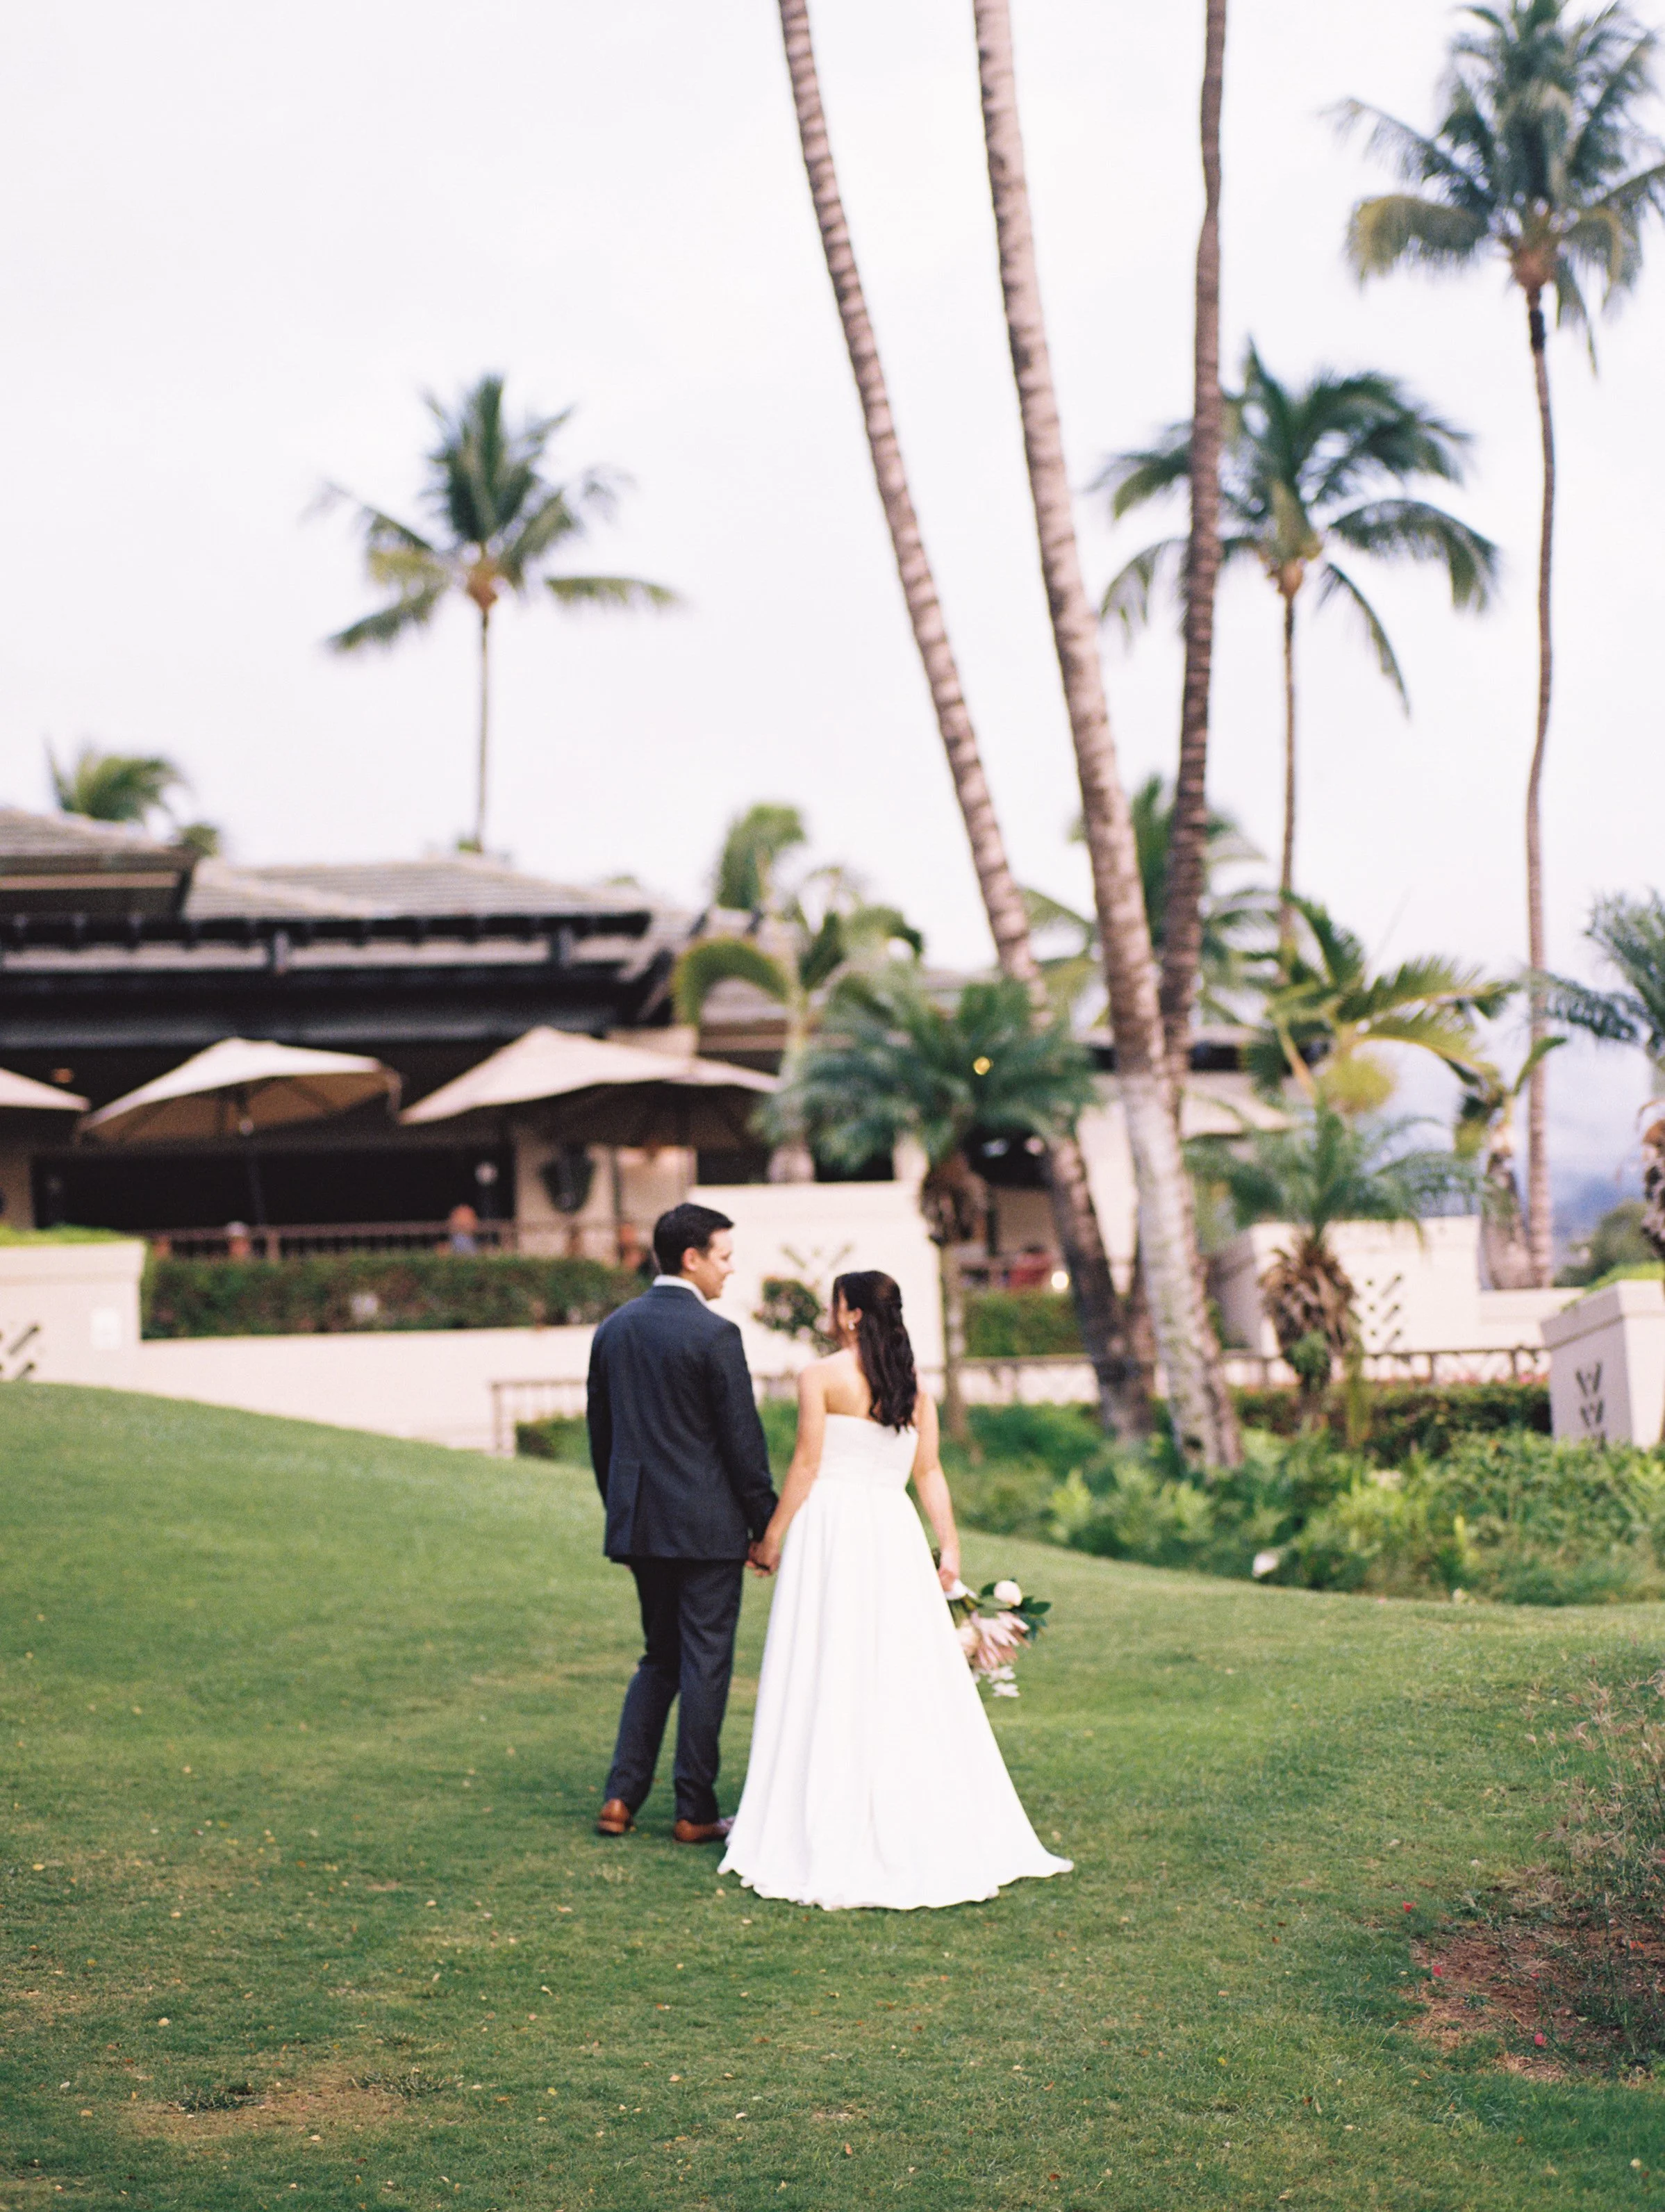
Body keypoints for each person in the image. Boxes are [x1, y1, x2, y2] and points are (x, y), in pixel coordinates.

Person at [719, 1269, 1071, 1910]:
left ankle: (824, 1807)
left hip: (831, 1531)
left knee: (827, 1662)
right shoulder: (913, 1390)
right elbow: (928, 1473)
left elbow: (806, 1464)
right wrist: (949, 1545)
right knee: (893, 1667)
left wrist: (770, 1538)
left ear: (850, 1315)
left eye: (838, 1307)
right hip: (890, 1532)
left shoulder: (819, 1376)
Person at [586, 1201, 778, 1844]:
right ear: (691, 1258)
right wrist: (764, 1525)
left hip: (640, 1525)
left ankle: (620, 1797)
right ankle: (694, 1811)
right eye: (724, 1256)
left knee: (658, 1658)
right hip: (706, 1531)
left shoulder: (613, 1329)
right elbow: (741, 1445)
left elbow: (601, 1439)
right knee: (703, 1664)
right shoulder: (715, 1335)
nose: (731, 1268)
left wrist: (624, 1510)